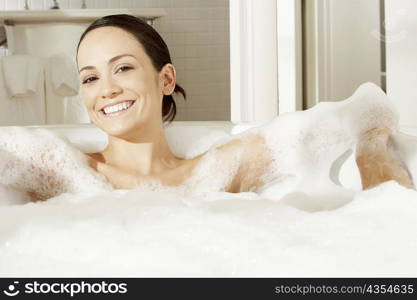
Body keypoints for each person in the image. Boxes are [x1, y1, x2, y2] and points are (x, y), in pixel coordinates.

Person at [76, 14, 413, 194]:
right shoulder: (68, 173)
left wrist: (371, 155)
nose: (106, 90)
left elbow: (365, 109)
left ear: (165, 79)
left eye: (122, 68)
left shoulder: (216, 171)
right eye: (90, 78)